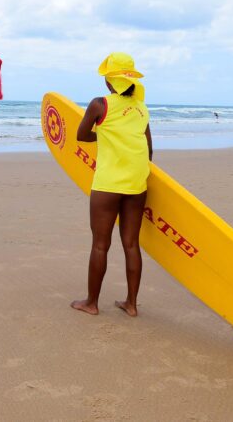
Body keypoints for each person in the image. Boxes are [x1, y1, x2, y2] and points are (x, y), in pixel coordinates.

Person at [71, 52, 152, 317]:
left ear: (109, 81)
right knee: (131, 244)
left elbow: (82, 136)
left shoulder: (99, 105)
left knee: (100, 245)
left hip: (108, 184)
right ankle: (131, 304)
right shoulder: (142, 108)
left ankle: (91, 303)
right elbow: (148, 149)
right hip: (137, 184)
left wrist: (105, 134)